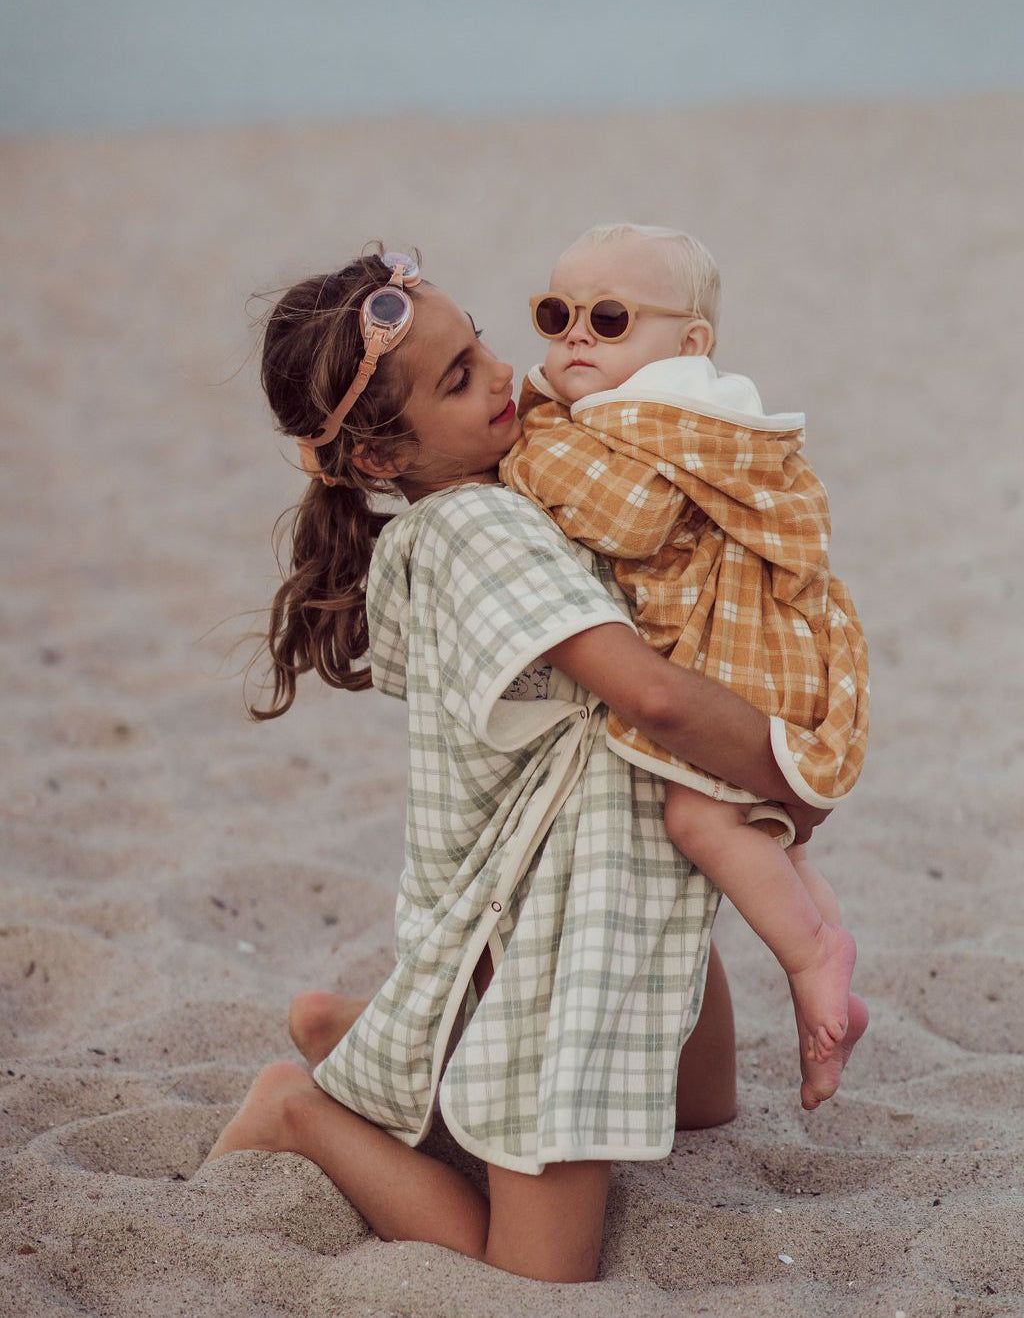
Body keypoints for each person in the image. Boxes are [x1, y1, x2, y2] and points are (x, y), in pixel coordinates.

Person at [205, 247, 845, 1284]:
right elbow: (649, 696)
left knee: (703, 1109)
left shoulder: (515, 479)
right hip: (546, 914)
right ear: (377, 459)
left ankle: (361, 1030)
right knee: (538, 1274)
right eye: (458, 378)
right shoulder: (478, 529)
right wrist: (792, 774)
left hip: (603, 867)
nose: (503, 374)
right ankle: (299, 1108)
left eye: (481, 342)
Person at [499, 222, 870, 1109]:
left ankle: (812, 957)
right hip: (762, 636)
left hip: (742, 642)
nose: (576, 337)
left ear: (690, 342)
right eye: (557, 313)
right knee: (751, 827)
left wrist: (530, 439)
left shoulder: (659, 411)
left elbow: (630, 521)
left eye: (612, 317)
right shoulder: (682, 402)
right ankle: (832, 971)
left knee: (699, 822)